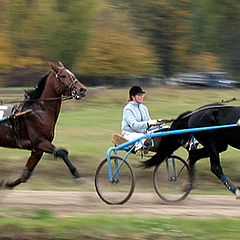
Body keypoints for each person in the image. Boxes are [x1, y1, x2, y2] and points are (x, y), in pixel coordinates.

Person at [121, 86, 159, 151]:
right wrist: (147, 123)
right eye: (139, 95)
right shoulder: (128, 109)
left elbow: (149, 126)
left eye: (142, 95)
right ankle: (143, 146)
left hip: (143, 134)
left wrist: (158, 125)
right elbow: (134, 125)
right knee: (143, 137)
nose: (142, 97)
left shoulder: (144, 108)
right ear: (133, 97)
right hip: (129, 134)